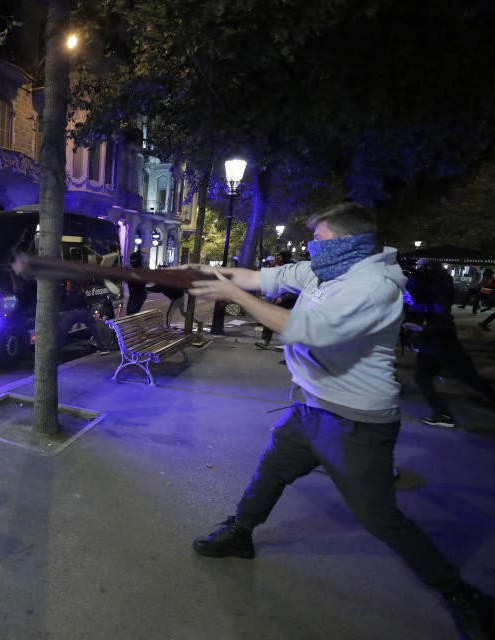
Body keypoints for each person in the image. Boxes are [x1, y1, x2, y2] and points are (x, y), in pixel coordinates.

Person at [183, 202, 494, 639]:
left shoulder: (372, 287)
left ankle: (464, 596)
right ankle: (240, 532)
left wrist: (234, 297)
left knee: (380, 519)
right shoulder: (322, 270)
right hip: (311, 407)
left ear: (350, 243)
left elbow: (305, 330)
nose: (313, 246)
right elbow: (257, 277)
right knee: (271, 472)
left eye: (321, 238)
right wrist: (203, 271)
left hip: (357, 422)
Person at [405, 259, 495, 428]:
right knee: (424, 377)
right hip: (436, 344)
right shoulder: (439, 287)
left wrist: (419, 326)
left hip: (439, 343)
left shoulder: (427, 294)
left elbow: (436, 320)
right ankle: (442, 414)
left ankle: (443, 414)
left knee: (469, 378)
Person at [255, 251, 298, 350]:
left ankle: (268, 341)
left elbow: (292, 286)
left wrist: (282, 297)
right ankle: (267, 341)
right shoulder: (283, 267)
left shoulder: (290, 269)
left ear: (282, 258)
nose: (276, 259)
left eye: (278, 257)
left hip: (292, 296)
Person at [126, 250, 147, 314]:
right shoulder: (135, 268)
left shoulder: (139, 270)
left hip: (138, 295)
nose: (131, 263)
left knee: (131, 313)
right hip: (134, 294)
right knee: (130, 312)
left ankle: (135, 323)